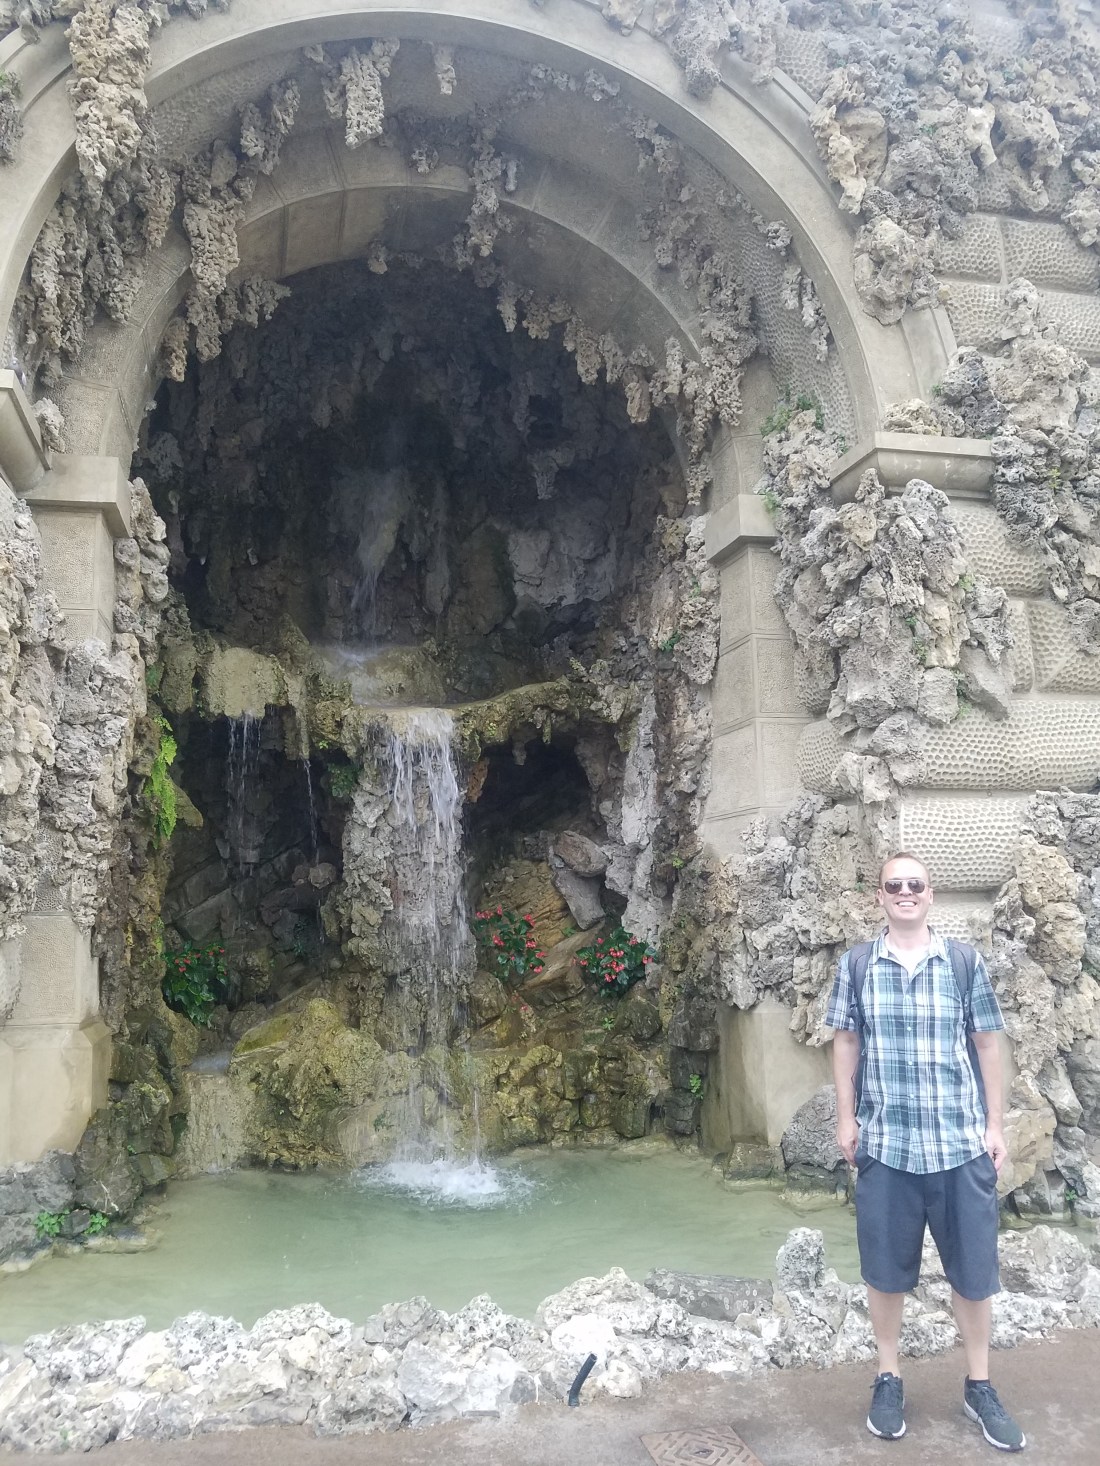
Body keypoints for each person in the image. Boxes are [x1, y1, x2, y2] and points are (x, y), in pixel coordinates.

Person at [826, 851, 1025, 1452]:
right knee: (885, 1272)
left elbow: (986, 1044)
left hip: (959, 1141)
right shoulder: (857, 965)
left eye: (915, 884)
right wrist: (845, 1118)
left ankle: (979, 1385)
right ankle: (888, 1376)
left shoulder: (963, 962)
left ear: (930, 895)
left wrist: (995, 1125)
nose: (905, 892)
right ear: (880, 896)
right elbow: (845, 1041)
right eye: (895, 885)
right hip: (887, 1143)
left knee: (974, 1273)